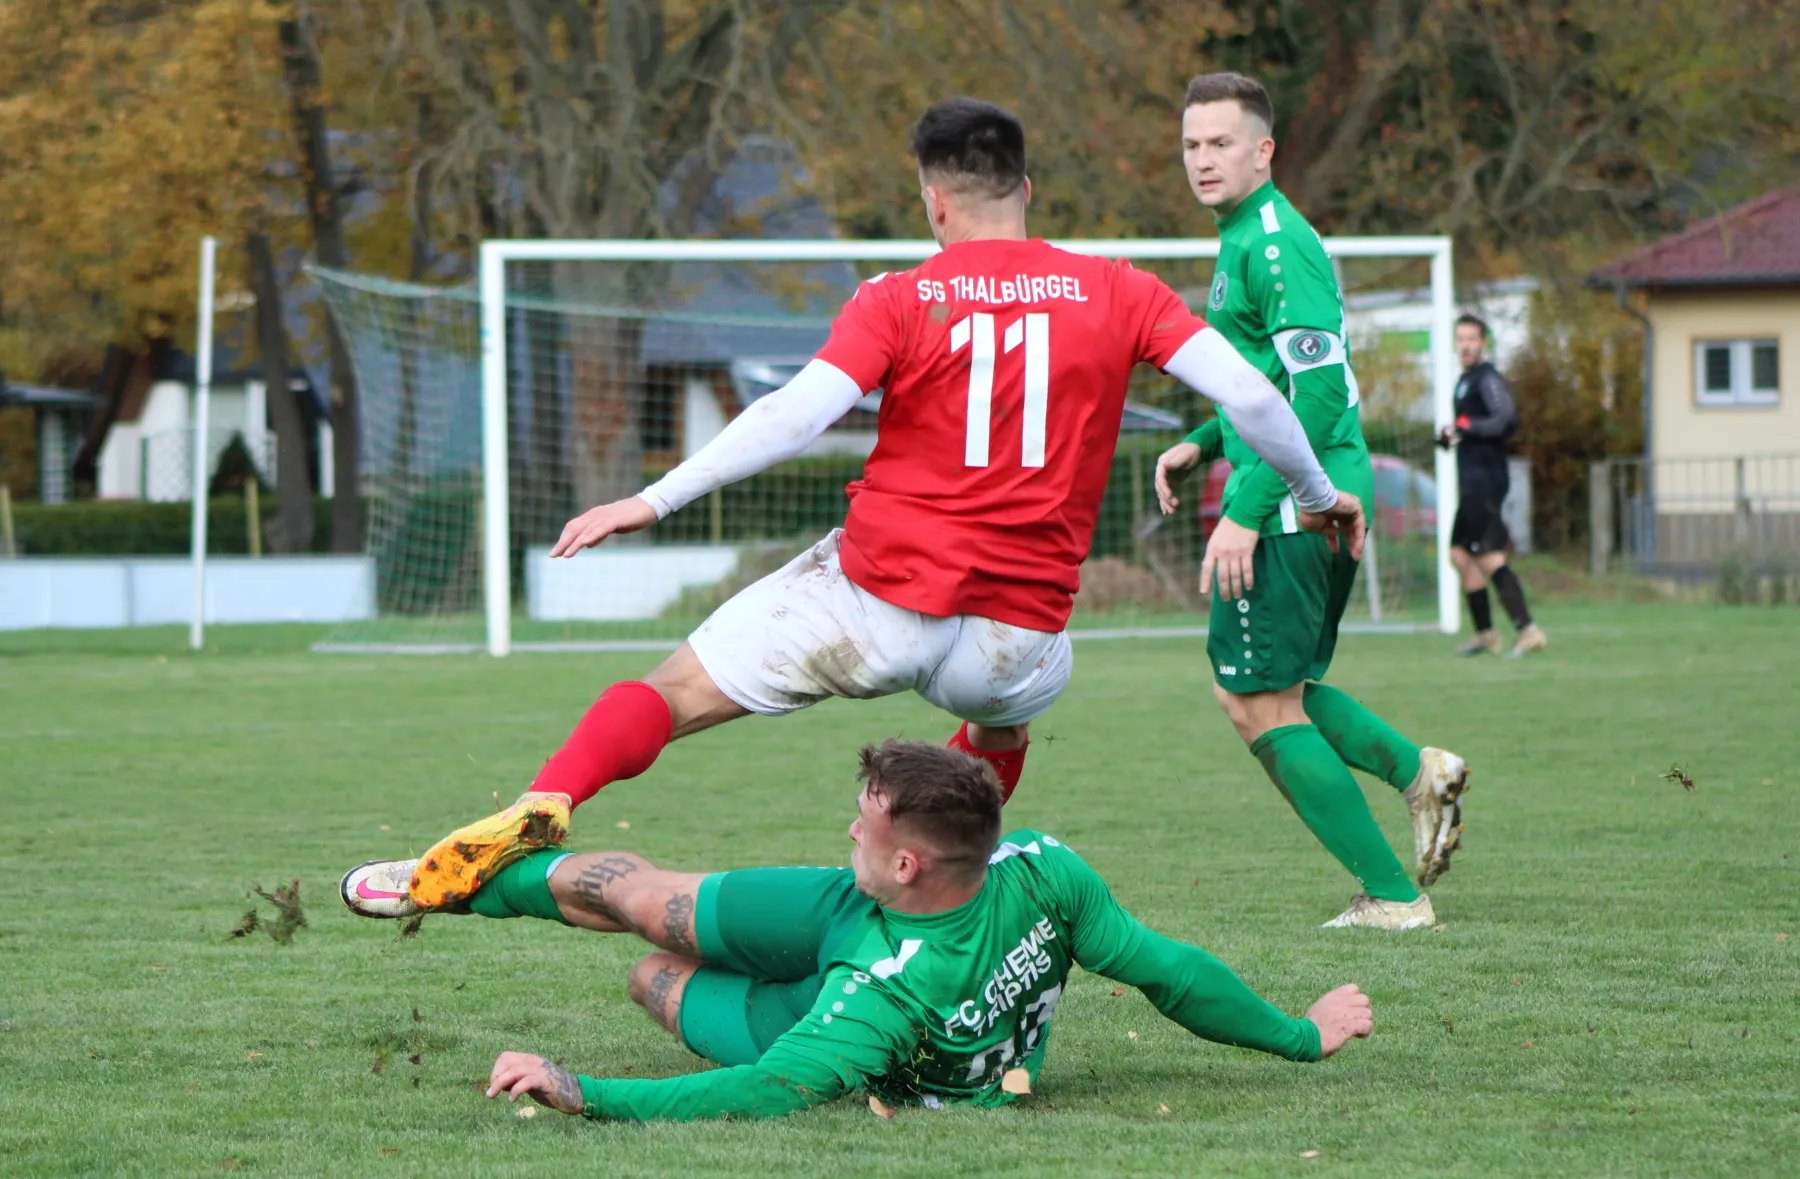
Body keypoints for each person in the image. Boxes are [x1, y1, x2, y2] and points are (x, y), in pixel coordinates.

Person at [399, 96, 1367, 913]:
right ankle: (935, 891)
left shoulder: (899, 296)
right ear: (1026, 190)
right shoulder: (1122, 290)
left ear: (935, 201)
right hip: (1017, 634)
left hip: (879, 599)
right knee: (998, 732)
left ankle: (549, 799)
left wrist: (653, 499)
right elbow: (1253, 398)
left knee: (674, 691)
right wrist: (1317, 495)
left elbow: (795, 416)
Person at [340, 740, 1375, 1121]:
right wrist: (1302, 1034)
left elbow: (763, 1091)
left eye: (864, 824)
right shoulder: (1042, 868)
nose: (848, 827)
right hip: (854, 915)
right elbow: (1169, 970)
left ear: (909, 860)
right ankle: (446, 883)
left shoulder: (878, 1002)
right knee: (645, 898)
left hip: (829, 990)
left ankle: (471, 888)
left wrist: (582, 1090)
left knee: (653, 973)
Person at [1153, 73, 1467, 930]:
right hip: (1308, 494)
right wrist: (1205, 440)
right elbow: (1268, 382)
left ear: (1264, 150)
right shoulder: (1245, 235)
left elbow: (1319, 398)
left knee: (1256, 702)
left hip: (1299, 501)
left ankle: (1394, 896)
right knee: (1277, 690)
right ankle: (1419, 772)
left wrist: (1246, 510)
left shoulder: (1274, 243)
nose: (1203, 159)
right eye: (1191, 144)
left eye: (1221, 143)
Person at [1442, 314, 1546, 658]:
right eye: (1461, 339)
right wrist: (1452, 434)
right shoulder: (1465, 380)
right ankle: (1486, 634)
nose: (1466, 345)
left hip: (1486, 481)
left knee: (1488, 555)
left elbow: (1506, 419)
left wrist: (1467, 426)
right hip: (1471, 481)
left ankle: (1528, 630)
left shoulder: (1487, 378)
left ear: (1483, 343)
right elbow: (1470, 425)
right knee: (1460, 554)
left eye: (1472, 339)